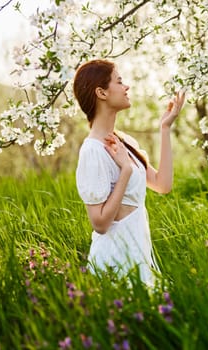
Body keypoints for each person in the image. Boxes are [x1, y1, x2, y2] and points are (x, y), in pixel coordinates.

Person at [73, 59, 186, 287]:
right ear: (101, 92)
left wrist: (165, 128)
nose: (127, 87)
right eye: (120, 81)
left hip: (139, 258)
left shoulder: (125, 142)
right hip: (114, 262)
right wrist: (125, 171)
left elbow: (162, 185)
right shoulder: (92, 151)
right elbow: (100, 224)